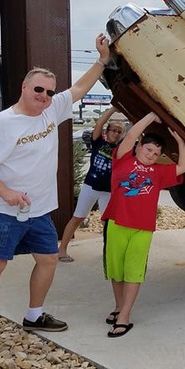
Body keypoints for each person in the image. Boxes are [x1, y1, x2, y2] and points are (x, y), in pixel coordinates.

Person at [0, 33, 112, 348]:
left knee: (48, 258)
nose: (44, 96)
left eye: (49, 91)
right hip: (1, 210)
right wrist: (6, 193)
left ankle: (34, 315)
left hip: (38, 209)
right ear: (25, 87)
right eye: (38, 89)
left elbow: (80, 88)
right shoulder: (2, 124)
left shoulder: (52, 109)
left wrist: (102, 59)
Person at [101, 111, 185, 338]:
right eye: (149, 150)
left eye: (157, 153)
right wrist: (151, 116)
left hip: (142, 229)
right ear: (139, 146)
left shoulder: (158, 172)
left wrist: (179, 142)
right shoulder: (123, 160)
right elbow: (130, 136)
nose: (152, 155)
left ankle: (124, 316)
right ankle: (118, 306)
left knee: (133, 273)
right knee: (116, 272)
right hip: (117, 223)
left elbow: (183, 168)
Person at [58, 106, 125, 262]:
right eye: (113, 130)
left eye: (119, 131)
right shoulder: (98, 143)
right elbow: (99, 123)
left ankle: (109, 252)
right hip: (90, 187)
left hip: (107, 191)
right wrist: (113, 109)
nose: (115, 133)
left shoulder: (121, 150)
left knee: (107, 222)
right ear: (107, 132)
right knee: (77, 218)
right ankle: (62, 250)